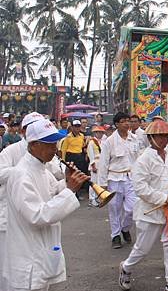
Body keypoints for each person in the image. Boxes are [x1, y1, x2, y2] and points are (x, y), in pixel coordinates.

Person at [4, 119, 88, 291]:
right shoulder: (21, 175)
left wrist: (68, 181)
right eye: (49, 144)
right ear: (33, 145)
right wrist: (70, 191)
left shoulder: (42, 169)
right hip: (29, 256)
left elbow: (53, 192)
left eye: (55, 143)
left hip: (44, 251)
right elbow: (38, 215)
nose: (54, 149)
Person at [119, 120, 168, 291]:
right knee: (142, 249)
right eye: (159, 136)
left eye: (165, 136)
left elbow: (167, 183)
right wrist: (163, 198)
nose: (163, 139)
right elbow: (140, 188)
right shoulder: (143, 159)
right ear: (150, 138)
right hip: (149, 212)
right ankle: (126, 267)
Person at [98, 112, 139, 249]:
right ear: (117, 124)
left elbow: (138, 160)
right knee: (114, 208)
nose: (127, 123)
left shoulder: (134, 139)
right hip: (114, 178)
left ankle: (125, 228)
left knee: (132, 209)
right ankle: (115, 236)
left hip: (131, 178)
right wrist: (102, 185)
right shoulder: (109, 141)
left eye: (128, 121)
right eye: (123, 121)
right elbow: (103, 163)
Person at [60, 119, 88, 199]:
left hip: (79, 156)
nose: (77, 128)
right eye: (75, 126)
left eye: (78, 126)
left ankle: (77, 193)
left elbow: (82, 145)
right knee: (72, 176)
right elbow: (64, 149)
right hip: (71, 156)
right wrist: (63, 160)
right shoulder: (68, 137)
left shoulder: (82, 136)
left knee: (79, 175)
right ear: (72, 127)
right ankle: (73, 194)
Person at [87, 126, 105, 207]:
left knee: (99, 182)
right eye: (98, 132)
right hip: (95, 162)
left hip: (101, 163)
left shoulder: (103, 141)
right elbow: (90, 154)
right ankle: (92, 198)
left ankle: (97, 198)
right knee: (93, 182)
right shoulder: (92, 142)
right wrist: (93, 165)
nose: (100, 134)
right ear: (95, 133)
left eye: (101, 132)